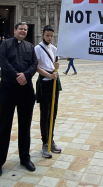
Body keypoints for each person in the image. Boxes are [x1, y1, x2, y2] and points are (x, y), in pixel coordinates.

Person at [0, 22, 38, 178]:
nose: (23, 31)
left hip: (26, 88)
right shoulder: (5, 44)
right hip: (8, 87)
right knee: (4, 124)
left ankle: (25, 158)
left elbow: (34, 63)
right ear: (15, 30)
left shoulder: (30, 46)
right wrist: (17, 76)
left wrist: (26, 76)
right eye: (21, 29)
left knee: (25, 125)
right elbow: (3, 62)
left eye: (25, 29)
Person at [35, 25, 62, 159]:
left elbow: (55, 65)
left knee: (54, 111)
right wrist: (49, 75)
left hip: (54, 82)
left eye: (51, 36)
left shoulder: (55, 49)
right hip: (45, 82)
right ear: (42, 35)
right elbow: (37, 67)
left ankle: (51, 139)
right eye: (47, 35)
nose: (49, 38)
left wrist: (57, 67)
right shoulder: (38, 48)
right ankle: (45, 142)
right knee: (45, 113)